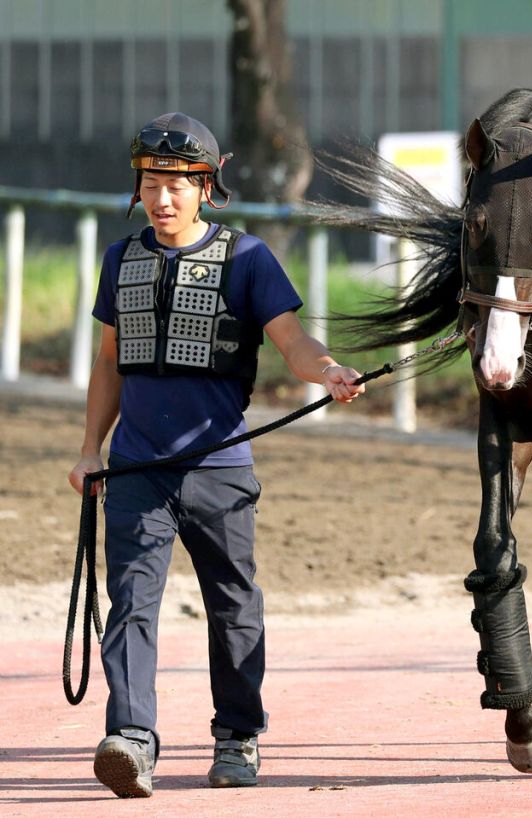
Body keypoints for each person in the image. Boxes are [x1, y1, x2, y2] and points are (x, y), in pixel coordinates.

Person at [67, 112, 365, 798]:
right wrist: (89, 450)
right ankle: (133, 739)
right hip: (137, 469)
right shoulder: (120, 261)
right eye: (150, 184)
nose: (161, 199)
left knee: (233, 607)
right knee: (130, 604)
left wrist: (328, 371)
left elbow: (291, 341)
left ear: (206, 187)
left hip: (220, 470)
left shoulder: (249, 259)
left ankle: (237, 736)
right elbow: (109, 365)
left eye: (176, 185)